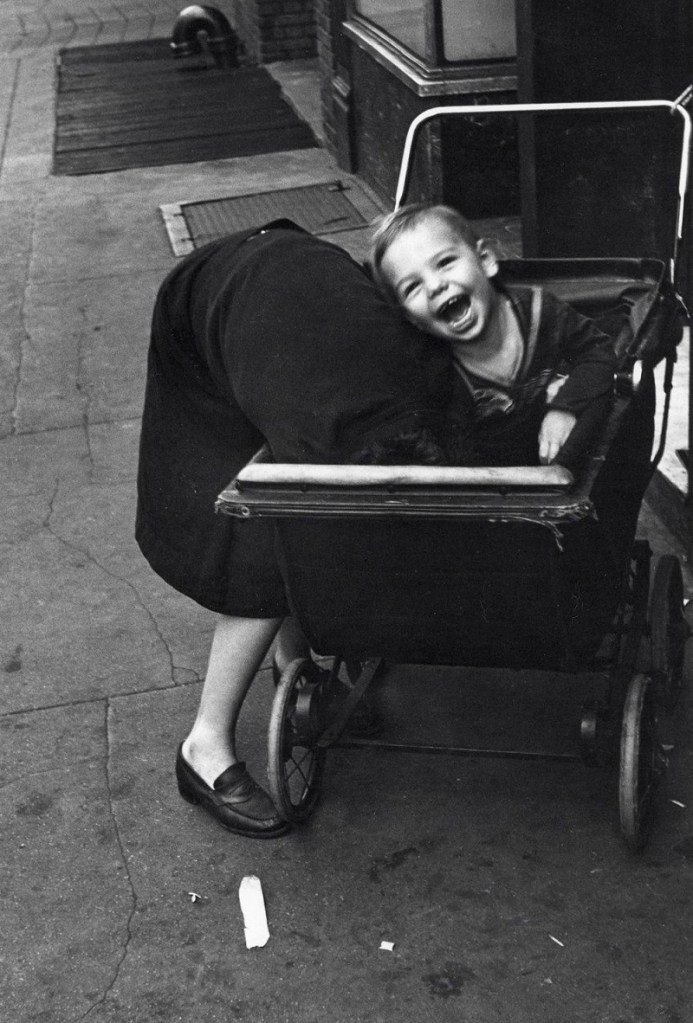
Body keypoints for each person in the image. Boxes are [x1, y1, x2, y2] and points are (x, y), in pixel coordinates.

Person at [135, 220, 448, 839]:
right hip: (208, 309)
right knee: (262, 539)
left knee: (295, 521)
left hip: (288, 297)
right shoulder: (317, 400)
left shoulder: (403, 362)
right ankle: (203, 748)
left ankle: (294, 670)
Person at [369, 203, 618, 468]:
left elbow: (599, 351)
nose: (434, 286)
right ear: (412, 320)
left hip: (573, 454)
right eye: (412, 287)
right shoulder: (439, 373)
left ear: (485, 260)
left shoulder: (540, 310)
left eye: (444, 263)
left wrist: (565, 407)